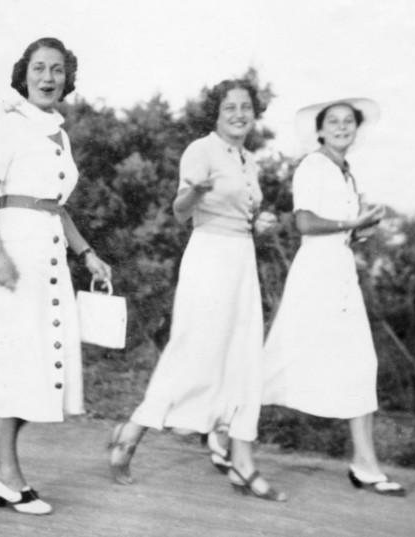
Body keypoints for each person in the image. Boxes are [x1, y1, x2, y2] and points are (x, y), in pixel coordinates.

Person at [108, 79, 286, 502]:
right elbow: (179, 210)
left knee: (244, 357)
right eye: (230, 108)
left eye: (246, 107)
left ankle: (242, 458)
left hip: (241, 260)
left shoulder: (249, 161)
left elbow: (245, 214)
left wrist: (260, 224)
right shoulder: (201, 149)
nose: (240, 114)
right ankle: (132, 430)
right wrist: (196, 191)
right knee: (194, 352)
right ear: (217, 113)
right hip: (209, 257)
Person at [0, 37, 111, 515]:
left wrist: (87, 252)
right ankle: (7, 477)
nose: (48, 78)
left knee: (44, 368)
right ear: (23, 75)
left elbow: (54, 208)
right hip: (14, 256)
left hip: (49, 260)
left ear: (68, 78)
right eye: (39, 69)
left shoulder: (60, 135)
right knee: (17, 365)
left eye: (58, 70)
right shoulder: (8, 127)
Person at [261, 97, 405, 497]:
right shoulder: (313, 165)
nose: (342, 127)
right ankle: (224, 430)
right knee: (282, 358)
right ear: (320, 129)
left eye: (349, 122)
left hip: (339, 272)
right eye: (334, 121)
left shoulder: (345, 172)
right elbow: (304, 221)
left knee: (360, 364)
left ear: (355, 130)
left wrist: (361, 229)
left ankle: (365, 464)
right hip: (317, 274)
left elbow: (343, 229)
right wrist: (350, 222)